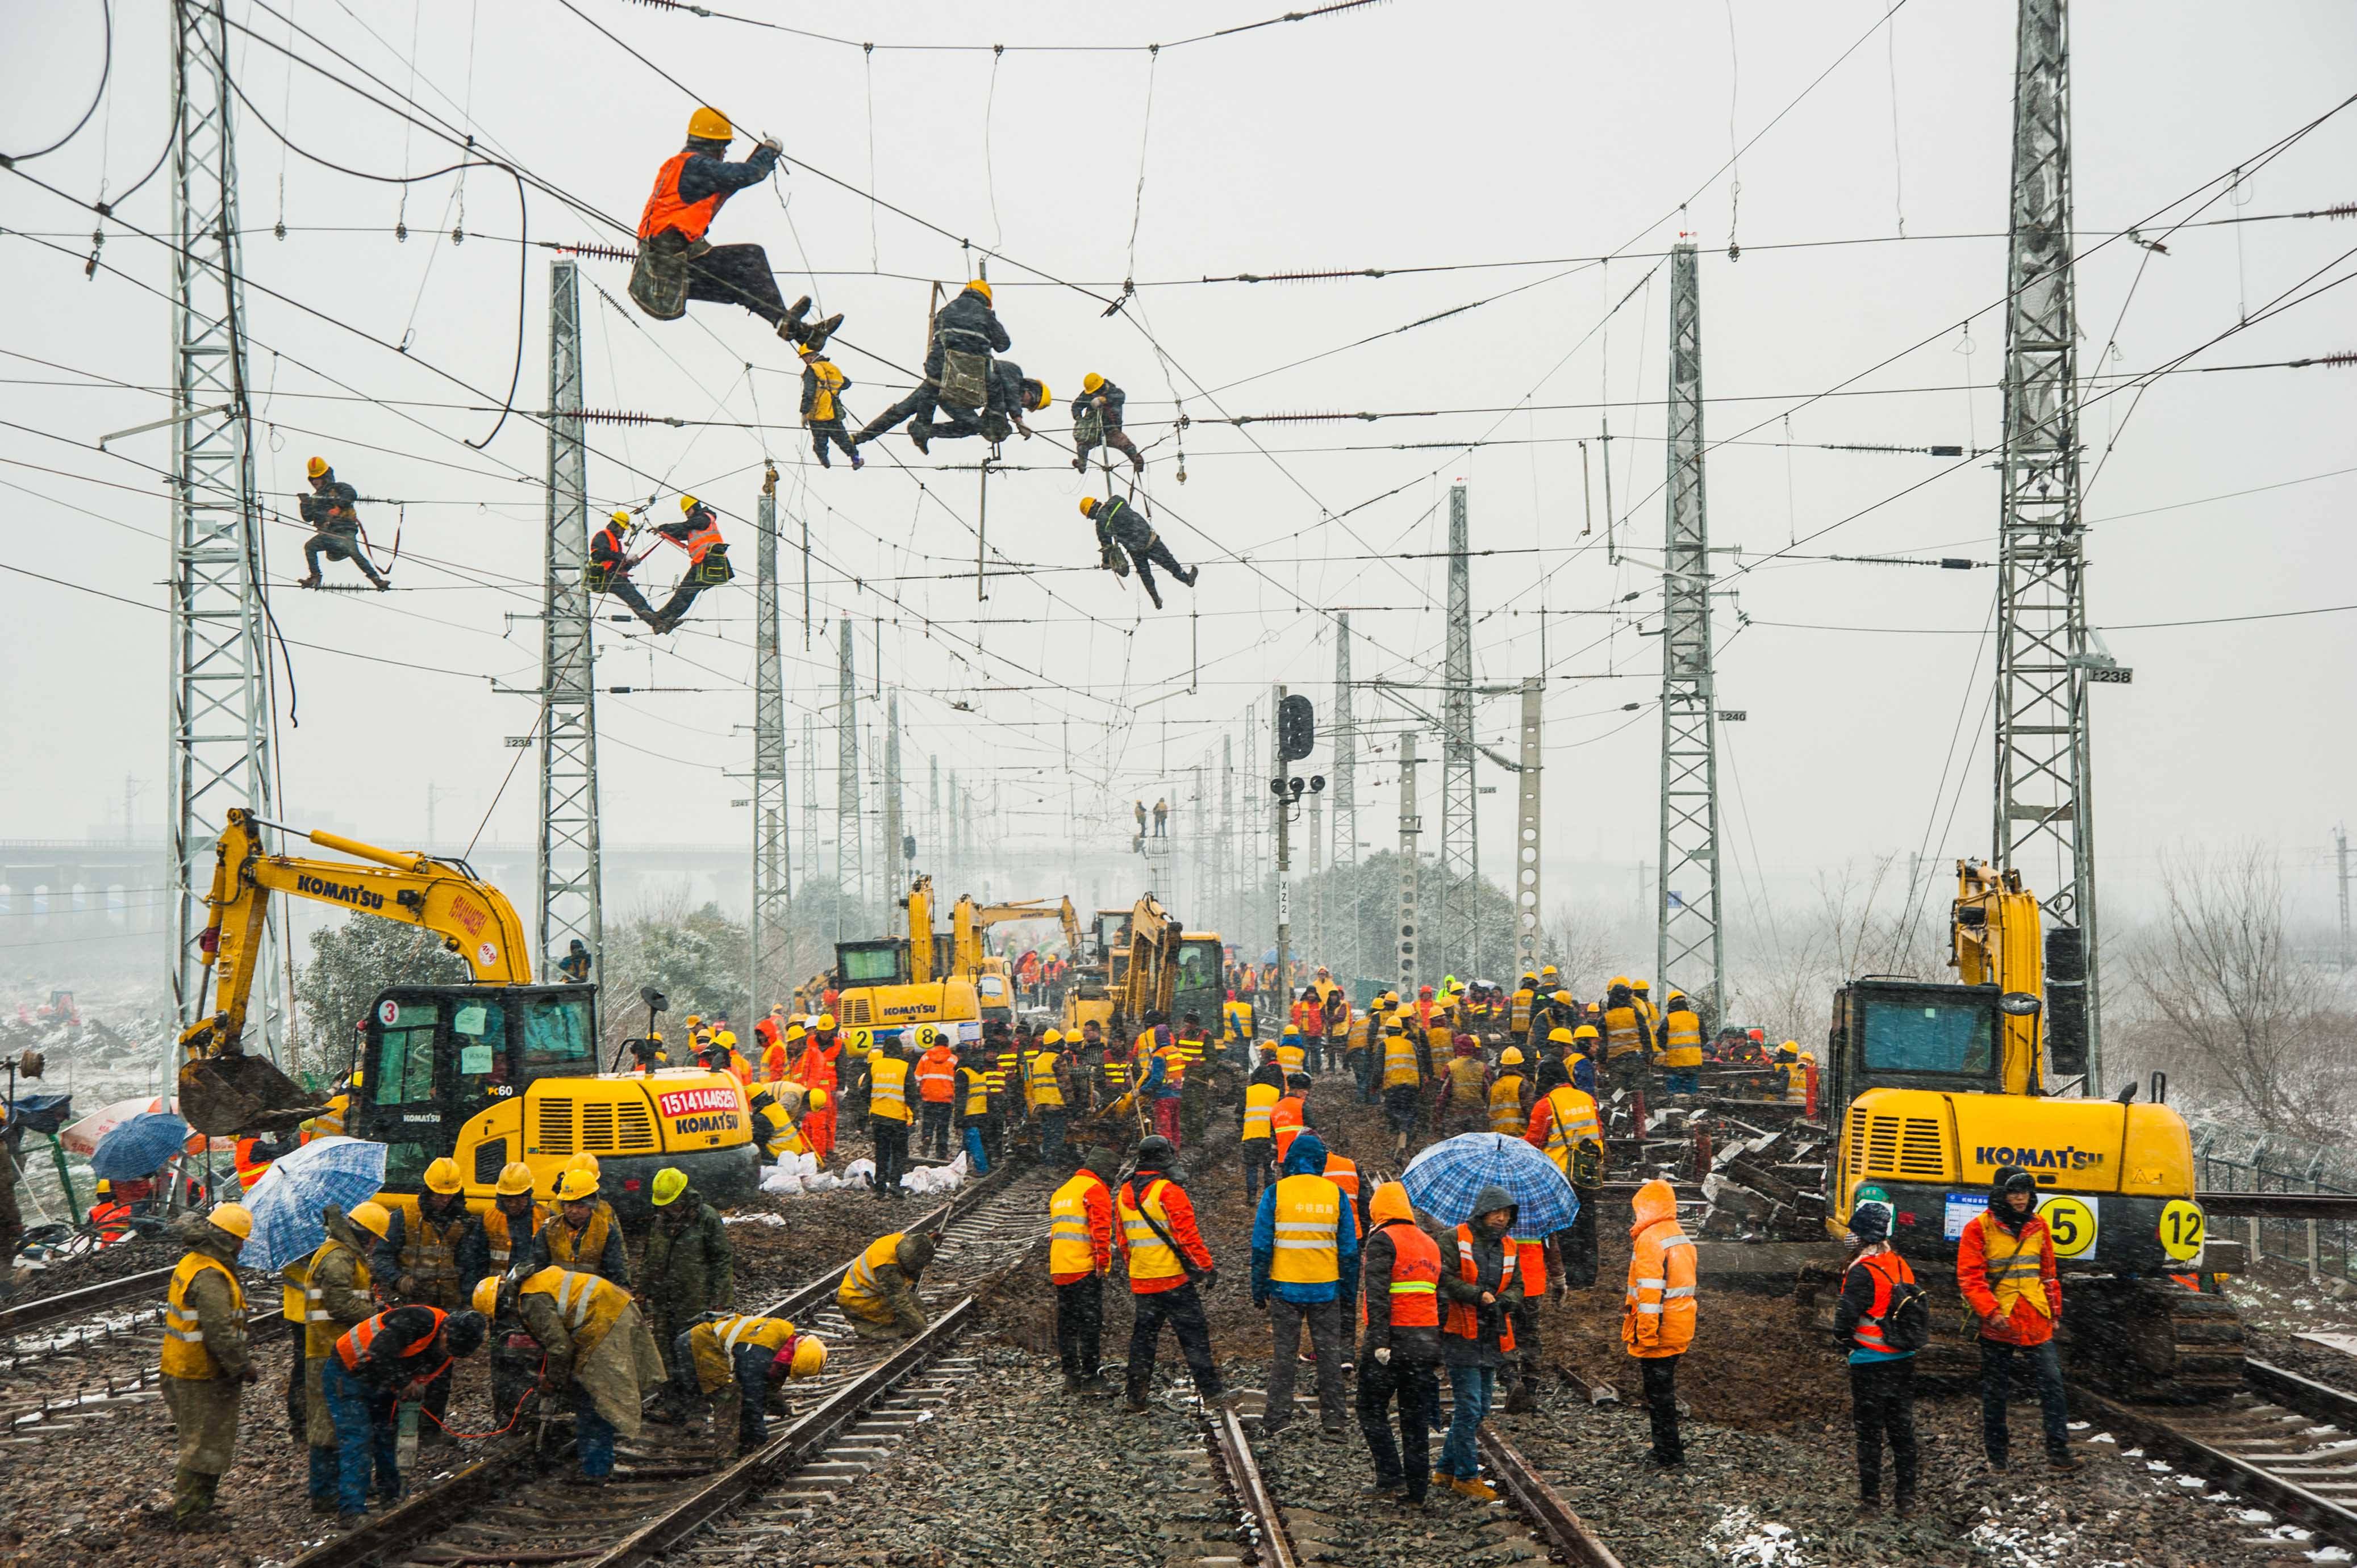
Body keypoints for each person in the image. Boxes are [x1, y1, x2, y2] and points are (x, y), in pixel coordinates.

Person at [632, 106, 840, 350]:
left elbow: (737, 179)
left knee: (740, 286)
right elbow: (749, 174)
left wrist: (761, 155)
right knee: (751, 256)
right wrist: (771, 149)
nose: (725, 154)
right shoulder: (696, 166)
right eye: (725, 148)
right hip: (673, 261)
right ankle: (784, 320)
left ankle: (803, 334)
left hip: (665, 267)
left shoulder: (683, 169)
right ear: (716, 146)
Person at [481, 1267, 666, 1486]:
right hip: (613, 1309)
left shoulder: (531, 1301)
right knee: (591, 1394)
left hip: (604, 1320)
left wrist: (552, 1380)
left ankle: (595, 1471)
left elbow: (560, 1348)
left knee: (595, 1397)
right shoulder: (534, 1285)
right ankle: (598, 1464)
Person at [320, 1303, 487, 1523]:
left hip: (382, 1381)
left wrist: (422, 1423)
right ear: (446, 1329)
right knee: (358, 1439)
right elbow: (379, 1350)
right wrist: (404, 1382)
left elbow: (435, 1386)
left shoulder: (448, 1350)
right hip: (348, 1372)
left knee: (387, 1437)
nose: (449, 1353)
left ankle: (393, 1496)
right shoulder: (419, 1319)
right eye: (450, 1346)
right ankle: (351, 1511)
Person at [1958, 1166, 2075, 1475]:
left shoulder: (2039, 1227)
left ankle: (2059, 1453)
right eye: (2013, 1192)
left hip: (2036, 1319)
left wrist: (2055, 1312)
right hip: (2000, 1324)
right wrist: (1992, 1313)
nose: (2020, 1198)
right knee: (1996, 1393)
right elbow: (1970, 1277)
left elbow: (2048, 1275)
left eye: (2024, 1192)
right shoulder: (1978, 1228)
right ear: (2001, 1194)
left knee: (2053, 1387)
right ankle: (1998, 1458)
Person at [1251, 1131, 1359, 1439]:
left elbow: (1261, 1247)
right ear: (1320, 1161)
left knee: (1284, 1355)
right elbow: (1349, 1251)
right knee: (1329, 1355)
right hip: (1325, 1289)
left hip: (1285, 1288)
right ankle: (1335, 1421)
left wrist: (1259, 1288)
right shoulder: (1335, 1194)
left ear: (1291, 1162)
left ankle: (1277, 1419)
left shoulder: (1275, 1193)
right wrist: (1348, 1292)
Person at [370, 1159, 486, 1442]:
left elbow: (470, 1263)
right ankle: (397, 1426)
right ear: (427, 1190)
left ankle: (431, 1428)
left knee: (441, 1372)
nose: (443, 1200)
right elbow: (382, 1257)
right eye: (438, 1194)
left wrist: (469, 1297)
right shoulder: (404, 1217)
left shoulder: (464, 1223)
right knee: (405, 1365)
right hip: (412, 1309)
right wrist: (399, 1280)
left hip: (446, 1309)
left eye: (448, 1195)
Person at [157, 1205, 255, 1532]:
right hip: (201, 1373)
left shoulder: (194, 1261)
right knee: (202, 1443)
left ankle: (199, 1509)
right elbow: (218, 1330)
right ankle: (191, 1514)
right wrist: (241, 1365)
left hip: (183, 1366)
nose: (243, 1247)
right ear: (227, 1240)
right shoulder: (211, 1274)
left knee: (203, 1440)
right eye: (240, 1240)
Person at [293, 1201, 388, 1516]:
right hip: (326, 1351)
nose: (375, 1245)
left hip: (336, 1348)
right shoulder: (337, 1258)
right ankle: (324, 1493)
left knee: (338, 1422)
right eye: (374, 1238)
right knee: (328, 1424)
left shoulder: (345, 1255)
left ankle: (339, 1484)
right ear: (364, 1234)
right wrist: (377, 1317)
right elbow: (339, 1304)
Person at [1117, 1138, 1223, 1412]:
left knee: (1143, 1338)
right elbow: (1187, 1237)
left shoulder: (1124, 1193)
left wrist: (1137, 1268)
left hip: (1143, 1281)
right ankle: (1211, 1392)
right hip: (1174, 1280)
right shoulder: (1168, 1191)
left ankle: (1136, 1396)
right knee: (1193, 1334)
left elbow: (1123, 1242)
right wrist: (1207, 1267)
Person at [1357, 1181, 1441, 1506]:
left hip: (1392, 1341)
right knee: (1415, 1417)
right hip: (1425, 1340)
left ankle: (1391, 1476)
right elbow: (1439, 1296)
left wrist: (1378, 1341)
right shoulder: (1429, 1242)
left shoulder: (1382, 1240)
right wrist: (1437, 1344)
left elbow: (1377, 1295)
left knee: (1370, 1409)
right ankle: (1417, 1489)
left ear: (1378, 1210)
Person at [1437, 1186, 1522, 1500]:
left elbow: (1518, 1285)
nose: (1502, 1218)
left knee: (1480, 1406)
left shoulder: (1509, 1247)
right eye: (1497, 1212)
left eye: (1507, 1214)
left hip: (1492, 1335)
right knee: (1470, 1407)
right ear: (1482, 1211)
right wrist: (1477, 1295)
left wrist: (1505, 1301)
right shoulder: (1453, 1239)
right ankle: (1466, 1476)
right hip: (1461, 1333)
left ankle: (1446, 1468)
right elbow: (1442, 1278)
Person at [856, 279, 1010, 453]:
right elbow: (1003, 345)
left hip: (941, 373)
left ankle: (862, 437)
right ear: (986, 301)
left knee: (904, 408)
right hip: (967, 379)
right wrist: (991, 322)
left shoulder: (945, 312)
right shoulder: (986, 315)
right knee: (974, 425)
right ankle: (925, 430)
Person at [1834, 1201, 1918, 1515]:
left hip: (1870, 1363)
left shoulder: (1861, 1271)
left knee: (1869, 1434)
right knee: (1902, 1431)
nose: (1850, 1237)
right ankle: (1906, 1499)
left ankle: (1871, 1502)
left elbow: (1844, 1320)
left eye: (1853, 1231)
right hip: (1903, 1360)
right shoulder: (1900, 1264)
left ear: (1862, 1235)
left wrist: (1843, 1343)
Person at [670, 1313, 827, 1454]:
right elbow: (751, 1399)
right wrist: (759, 1438)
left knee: (757, 1380)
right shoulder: (756, 1356)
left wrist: (779, 1406)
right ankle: (726, 1456)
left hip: (707, 1338)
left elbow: (771, 1378)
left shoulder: (784, 1332)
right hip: (697, 1343)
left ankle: (743, 1437)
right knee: (728, 1395)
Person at [1624, 1177, 1697, 1467]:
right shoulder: (1680, 1236)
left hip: (1659, 1331)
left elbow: (1650, 1295)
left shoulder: (1650, 1239)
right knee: (1664, 1392)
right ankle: (1669, 1450)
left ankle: (1667, 1454)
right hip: (1680, 1326)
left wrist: (1646, 1334)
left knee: (1659, 1396)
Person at [640, 1167, 735, 1389]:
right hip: (664, 1301)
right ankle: (672, 1407)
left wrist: (721, 1300)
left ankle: (696, 1413)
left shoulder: (706, 1218)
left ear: (682, 1196)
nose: (666, 1208)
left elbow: (722, 1260)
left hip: (695, 1301)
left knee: (694, 1357)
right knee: (666, 1355)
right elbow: (651, 1256)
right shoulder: (660, 1221)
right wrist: (643, 1290)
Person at [1525, 1056, 1603, 1289]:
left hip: (1560, 1176)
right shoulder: (1588, 1099)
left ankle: (1572, 1276)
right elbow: (1599, 1131)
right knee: (1587, 1224)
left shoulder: (1546, 1105)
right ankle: (1589, 1275)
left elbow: (1534, 1142)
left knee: (1565, 1228)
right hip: (1587, 1172)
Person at [1049, 1151, 1118, 1395]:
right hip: (1083, 1267)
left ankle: (1071, 1376)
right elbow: (1100, 1230)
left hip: (1060, 1266)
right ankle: (1092, 1377)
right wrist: (1104, 1264)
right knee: (1090, 1322)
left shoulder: (1064, 1190)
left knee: (1067, 1323)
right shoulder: (1095, 1189)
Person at [1082, 494, 1198, 610]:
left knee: (1145, 575)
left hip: (1135, 550)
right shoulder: (1117, 500)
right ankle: (1187, 579)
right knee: (1169, 562)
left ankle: (1156, 599)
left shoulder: (1100, 526)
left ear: (1090, 514)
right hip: (1149, 540)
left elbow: (1107, 548)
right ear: (1096, 502)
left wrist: (1106, 563)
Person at [529, 1163, 629, 1282]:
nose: (574, 1211)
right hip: (554, 1295)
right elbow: (538, 1267)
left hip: (592, 1297)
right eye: (570, 1205)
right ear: (563, 1205)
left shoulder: (606, 1231)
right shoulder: (548, 1229)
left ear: (592, 1205)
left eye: (580, 1206)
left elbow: (615, 1271)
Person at [644, 495, 730, 633]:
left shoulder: (705, 517)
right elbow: (683, 531)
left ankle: (662, 617)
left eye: (688, 511)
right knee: (685, 593)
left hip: (709, 563)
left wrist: (663, 527)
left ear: (695, 507)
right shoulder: (698, 523)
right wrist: (664, 532)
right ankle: (666, 621)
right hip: (706, 564)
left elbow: (686, 526)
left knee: (685, 593)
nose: (687, 515)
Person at [837, 1230, 937, 1339]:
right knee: (909, 1328)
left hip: (866, 1295)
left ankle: (872, 1326)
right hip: (859, 1302)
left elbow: (920, 1243)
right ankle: (870, 1329)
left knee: (916, 1305)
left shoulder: (900, 1241)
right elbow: (900, 1302)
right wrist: (924, 1331)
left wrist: (930, 1242)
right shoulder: (887, 1268)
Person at [933, 359, 1051, 445]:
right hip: (958, 374)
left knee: (975, 426)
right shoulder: (1014, 372)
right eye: (1031, 402)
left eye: (1028, 407)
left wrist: (998, 432)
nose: (1024, 404)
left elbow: (990, 419)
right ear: (1031, 388)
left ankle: (925, 430)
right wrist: (1018, 420)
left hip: (951, 397)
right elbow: (1011, 390)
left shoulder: (1001, 402)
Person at [799, 344, 863, 469]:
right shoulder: (833, 368)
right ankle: (855, 459)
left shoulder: (812, 370)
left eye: (804, 358)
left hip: (817, 414)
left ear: (809, 356)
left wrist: (804, 413)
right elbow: (846, 383)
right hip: (833, 412)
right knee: (843, 439)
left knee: (820, 442)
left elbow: (808, 393)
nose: (804, 361)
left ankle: (824, 461)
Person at [866, 1036, 915, 1201]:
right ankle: (895, 1184)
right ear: (900, 1050)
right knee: (900, 1152)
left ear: (884, 1050)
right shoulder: (905, 1067)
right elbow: (911, 1094)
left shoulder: (875, 1066)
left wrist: (873, 1104)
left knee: (882, 1152)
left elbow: (864, 1090)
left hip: (879, 1118)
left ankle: (880, 1187)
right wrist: (913, 1114)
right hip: (898, 1118)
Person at [1069, 373, 1146, 474]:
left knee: (1125, 443)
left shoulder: (1112, 391)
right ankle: (1082, 464)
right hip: (1094, 429)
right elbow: (1076, 406)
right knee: (1083, 444)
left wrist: (1105, 400)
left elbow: (1121, 396)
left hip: (1111, 429)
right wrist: (1080, 419)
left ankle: (1137, 460)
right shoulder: (1087, 395)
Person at [792, 1015, 844, 1162]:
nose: (824, 1034)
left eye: (827, 1031)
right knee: (813, 1123)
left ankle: (827, 1150)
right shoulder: (810, 1043)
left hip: (830, 1089)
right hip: (814, 1088)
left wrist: (840, 1087)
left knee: (829, 1122)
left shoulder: (839, 1045)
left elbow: (842, 1066)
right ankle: (815, 1152)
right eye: (822, 1031)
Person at [1379, 1017, 1425, 1161]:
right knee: (1409, 1113)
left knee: (1393, 1113)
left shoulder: (1383, 1045)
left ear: (1387, 1031)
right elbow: (1420, 1065)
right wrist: (1421, 1084)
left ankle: (1400, 1136)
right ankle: (1406, 1138)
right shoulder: (1411, 1045)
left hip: (1393, 1087)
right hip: (1412, 1086)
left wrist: (1374, 1085)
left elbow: (1378, 1068)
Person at [1027, 1027, 1073, 1165]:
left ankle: (1047, 1161)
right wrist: (1071, 1103)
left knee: (1048, 1135)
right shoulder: (1057, 1059)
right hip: (1056, 1104)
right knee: (1057, 1136)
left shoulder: (1039, 1060)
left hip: (1042, 1105)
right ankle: (1053, 1164)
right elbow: (1065, 1084)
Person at [1600, 980, 1654, 1094]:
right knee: (1639, 1096)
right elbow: (1646, 1037)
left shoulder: (1605, 1018)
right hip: (1637, 1060)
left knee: (1619, 1096)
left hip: (1616, 1063)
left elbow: (1602, 1044)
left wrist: (1602, 1062)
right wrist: (1648, 1056)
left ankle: (1621, 1111)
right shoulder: (1635, 1014)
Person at [915, 1025, 959, 1160]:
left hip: (928, 1097)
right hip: (945, 1098)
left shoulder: (925, 1058)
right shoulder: (953, 1059)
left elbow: (917, 1078)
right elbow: (958, 1080)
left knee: (928, 1122)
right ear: (947, 1045)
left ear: (934, 1044)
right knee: (943, 1127)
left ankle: (927, 1137)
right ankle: (941, 1153)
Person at [1240, 1057, 1281, 1202]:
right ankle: (1268, 1198)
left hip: (1250, 1135)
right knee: (1269, 1168)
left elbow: (1239, 1113)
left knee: (1251, 1167)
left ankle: (1251, 1196)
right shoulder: (1276, 1093)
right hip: (1269, 1138)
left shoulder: (1247, 1092)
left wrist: (1243, 1128)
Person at [1434, 1036, 1491, 1136]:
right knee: (1477, 1142)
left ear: (1456, 1048)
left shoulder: (1450, 1067)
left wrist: (1439, 1113)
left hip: (1456, 1113)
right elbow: (1488, 1092)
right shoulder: (1482, 1067)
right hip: (1477, 1112)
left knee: (1457, 1142)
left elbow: (1444, 1094)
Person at [956, 1046, 994, 1173]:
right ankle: (959, 1165)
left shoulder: (963, 1072)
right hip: (982, 1111)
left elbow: (961, 1099)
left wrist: (958, 1122)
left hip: (969, 1113)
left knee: (973, 1142)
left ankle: (982, 1168)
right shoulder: (981, 1071)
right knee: (980, 1141)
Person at [1658, 991, 1704, 1096]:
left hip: (1674, 1064)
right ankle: (1691, 1110)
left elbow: (1660, 1040)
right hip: (1693, 1063)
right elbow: (1704, 1038)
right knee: (1691, 1095)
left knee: (1674, 1095)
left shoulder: (1668, 1020)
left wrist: (1671, 1050)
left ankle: (1675, 1110)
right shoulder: (1696, 1018)